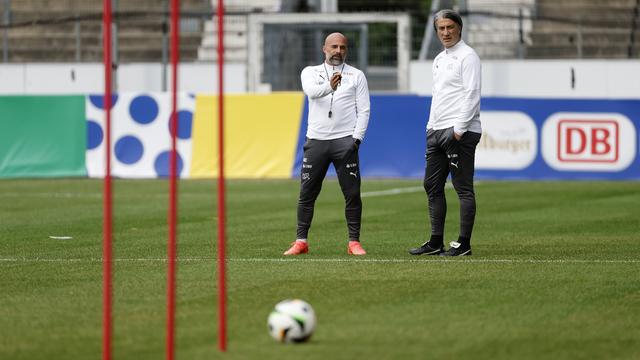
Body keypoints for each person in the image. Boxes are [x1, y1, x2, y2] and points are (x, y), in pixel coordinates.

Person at [284, 32, 371, 256]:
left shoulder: (357, 75)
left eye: (342, 47)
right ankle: (301, 241)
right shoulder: (310, 72)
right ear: (324, 49)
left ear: (346, 50)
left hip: (345, 142)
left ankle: (354, 242)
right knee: (307, 193)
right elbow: (311, 93)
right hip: (316, 141)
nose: (338, 51)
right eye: (333, 47)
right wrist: (330, 87)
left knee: (352, 194)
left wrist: (357, 139)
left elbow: (364, 110)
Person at [409, 9, 482, 257]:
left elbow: (472, 94)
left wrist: (459, 130)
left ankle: (464, 244)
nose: (446, 32)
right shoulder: (440, 59)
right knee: (431, 185)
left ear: (459, 28)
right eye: (441, 28)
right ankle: (435, 242)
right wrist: (430, 126)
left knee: (463, 188)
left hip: (459, 131)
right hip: (436, 130)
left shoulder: (468, 56)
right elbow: (439, 95)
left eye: (450, 27)